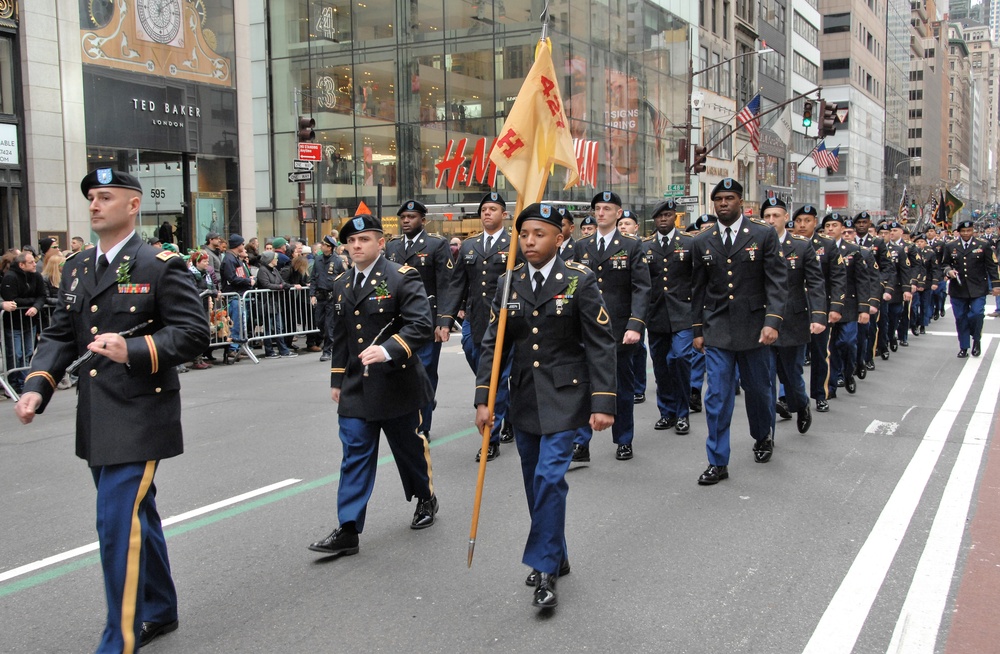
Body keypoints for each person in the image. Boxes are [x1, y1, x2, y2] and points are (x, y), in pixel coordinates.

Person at [14, 168, 209, 652]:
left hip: (142, 412)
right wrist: (39, 384)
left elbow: (193, 333)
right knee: (138, 514)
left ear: (133, 205)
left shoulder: (160, 263)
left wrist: (135, 350)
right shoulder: (79, 265)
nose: (95, 204)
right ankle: (160, 608)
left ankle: (117, 639)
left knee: (115, 522)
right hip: (98, 413)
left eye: (105, 197)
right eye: (91, 198)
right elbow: (61, 332)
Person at [474, 202, 616, 610]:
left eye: (539, 234)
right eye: (525, 234)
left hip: (566, 396)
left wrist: (603, 402)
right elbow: (493, 347)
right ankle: (558, 552)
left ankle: (544, 569)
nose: (530, 241)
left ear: (559, 237)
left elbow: (601, 342)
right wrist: (484, 399)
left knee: (551, 478)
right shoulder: (508, 283)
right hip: (524, 398)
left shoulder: (578, 280)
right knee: (534, 483)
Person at [308, 214, 439, 558]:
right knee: (354, 454)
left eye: (364, 240)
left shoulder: (401, 277)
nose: (355, 246)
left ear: (381, 243)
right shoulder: (342, 284)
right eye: (350, 241)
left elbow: (421, 324)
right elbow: (342, 337)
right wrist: (337, 379)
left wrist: (387, 349)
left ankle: (425, 497)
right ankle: (348, 528)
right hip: (357, 386)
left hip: (397, 381)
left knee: (409, 450)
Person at [689, 178, 786, 485]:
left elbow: (776, 282)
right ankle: (717, 461)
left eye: (729, 198)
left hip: (755, 328)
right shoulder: (702, 242)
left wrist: (772, 322)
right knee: (717, 395)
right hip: (718, 328)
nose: (723, 204)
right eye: (718, 199)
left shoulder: (762, 234)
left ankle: (762, 436)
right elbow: (698, 289)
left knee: (758, 391)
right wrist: (697, 330)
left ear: (741, 202)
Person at [572, 191, 650, 462]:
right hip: (585, 329)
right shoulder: (580, 246)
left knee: (621, 387)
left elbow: (641, 287)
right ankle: (581, 442)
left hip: (619, 330)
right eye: (597, 208)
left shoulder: (631, 245)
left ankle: (624, 439)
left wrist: (635, 325)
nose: (601, 213)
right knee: (583, 386)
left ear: (619, 213)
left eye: (607, 208)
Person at [437, 192, 515, 461]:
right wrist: (446, 320)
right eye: (484, 209)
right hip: (474, 320)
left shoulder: (513, 243)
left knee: (495, 379)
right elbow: (457, 284)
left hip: (503, 321)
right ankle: (509, 412)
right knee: (480, 367)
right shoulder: (469, 246)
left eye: (493, 209)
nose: (487, 213)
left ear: (503, 214)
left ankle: (490, 439)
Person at [385, 199, 453, 441]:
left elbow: (446, 283)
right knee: (402, 370)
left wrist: (443, 322)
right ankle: (418, 406)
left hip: (426, 319)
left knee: (424, 370)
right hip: (399, 321)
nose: (406, 221)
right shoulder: (392, 247)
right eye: (402, 217)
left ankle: (422, 426)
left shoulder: (436, 244)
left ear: (423, 220)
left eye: (411, 217)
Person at [763, 200, 824, 435]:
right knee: (765, 381)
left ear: (785, 217)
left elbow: (816, 282)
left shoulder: (800, 246)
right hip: (764, 321)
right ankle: (766, 435)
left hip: (793, 321)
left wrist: (818, 315)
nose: (771, 221)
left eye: (775, 215)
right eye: (767, 216)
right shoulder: (756, 245)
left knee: (792, 377)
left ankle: (801, 404)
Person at [641, 199, 696, 435]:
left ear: (675, 217)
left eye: (668, 215)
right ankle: (667, 412)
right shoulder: (645, 246)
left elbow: (697, 278)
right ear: (654, 220)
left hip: (684, 312)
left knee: (681, 357)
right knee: (661, 365)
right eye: (659, 216)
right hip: (656, 314)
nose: (663, 220)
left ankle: (683, 412)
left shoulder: (689, 243)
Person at [792, 205, 846, 412]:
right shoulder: (787, 244)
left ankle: (820, 394)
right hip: (794, 309)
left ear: (815, 222)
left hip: (819, 309)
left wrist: (835, 307)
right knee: (792, 356)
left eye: (807, 220)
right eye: (799, 221)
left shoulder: (827, 245)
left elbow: (838, 278)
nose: (803, 225)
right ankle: (790, 395)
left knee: (819, 354)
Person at [823, 214, 874, 394]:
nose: (830, 229)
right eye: (827, 225)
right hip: (826, 304)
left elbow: (862, 281)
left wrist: (864, 308)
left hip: (850, 305)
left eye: (834, 225)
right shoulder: (817, 249)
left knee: (847, 341)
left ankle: (849, 371)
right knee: (830, 347)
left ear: (842, 228)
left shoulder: (853, 250)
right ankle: (832, 382)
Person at [940, 219, 1000, 357]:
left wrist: (996, 285)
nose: (966, 233)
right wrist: (949, 271)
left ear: (973, 231)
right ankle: (964, 346)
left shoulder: (983, 245)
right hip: (958, 288)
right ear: (959, 232)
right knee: (960, 318)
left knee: (977, 314)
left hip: (978, 287)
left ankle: (976, 339)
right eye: (963, 231)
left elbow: (992, 266)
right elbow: (944, 264)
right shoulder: (950, 246)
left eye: (969, 230)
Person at [1, 251, 46, 394]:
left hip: (29, 321)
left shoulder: (36, 276)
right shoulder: (10, 277)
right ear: (21, 265)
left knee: (28, 352)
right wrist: (32, 302)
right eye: (31, 262)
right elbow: (12, 299)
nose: (35, 264)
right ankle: (14, 382)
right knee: (16, 354)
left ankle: (23, 381)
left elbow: (42, 295)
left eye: (34, 261)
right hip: (14, 323)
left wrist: (36, 307)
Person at [220, 234, 255, 362]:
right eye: (242, 244)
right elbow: (232, 278)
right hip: (234, 295)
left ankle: (237, 347)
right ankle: (232, 348)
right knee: (235, 322)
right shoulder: (229, 259)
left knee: (241, 322)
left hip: (239, 294)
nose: (243, 246)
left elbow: (239, 275)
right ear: (237, 245)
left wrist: (247, 279)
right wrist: (247, 281)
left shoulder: (235, 259)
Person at [310, 235, 346, 361]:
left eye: (324, 245)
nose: (322, 246)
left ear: (329, 247)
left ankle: (327, 350)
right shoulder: (318, 259)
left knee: (328, 325)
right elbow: (313, 278)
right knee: (319, 322)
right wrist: (312, 294)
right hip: (320, 296)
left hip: (332, 296)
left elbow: (343, 278)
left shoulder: (337, 261)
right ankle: (330, 344)